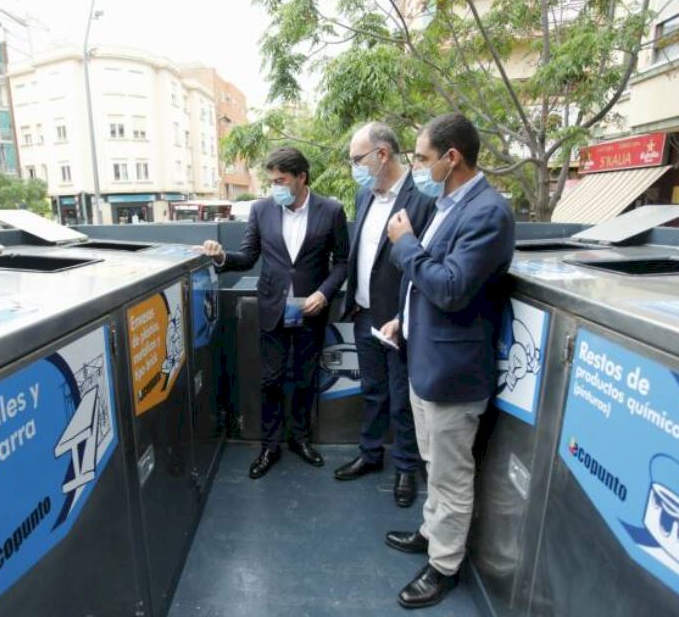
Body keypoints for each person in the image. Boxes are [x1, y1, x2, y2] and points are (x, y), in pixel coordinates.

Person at [381, 113, 515, 608]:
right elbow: (426, 283)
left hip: (453, 374)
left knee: (451, 474)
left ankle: (444, 565)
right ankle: (430, 532)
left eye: (422, 158)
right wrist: (402, 318)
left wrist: (405, 243)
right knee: (433, 464)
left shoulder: (488, 213)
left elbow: (452, 288)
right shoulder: (445, 205)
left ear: (451, 157)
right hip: (425, 359)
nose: (416, 167)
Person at [202, 147, 349, 479]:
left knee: (305, 377)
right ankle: (270, 446)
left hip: (311, 310)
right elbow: (248, 256)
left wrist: (324, 293)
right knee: (270, 380)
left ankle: (300, 439)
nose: (275, 187)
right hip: (273, 308)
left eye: (281, 180)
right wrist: (221, 257)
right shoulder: (261, 209)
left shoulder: (331, 210)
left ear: (301, 177)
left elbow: (342, 262)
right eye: (272, 181)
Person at [333, 122, 434, 509]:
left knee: (402, 398)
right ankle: (371, 453)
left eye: (356, 159)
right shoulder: (364, 194)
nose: (353, 167)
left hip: (399, 319)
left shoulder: (421, 197)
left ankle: (406, 467)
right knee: (372, 390)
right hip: (364, 313)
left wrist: (405, 318)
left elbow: (424, 260)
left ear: (382, 154)